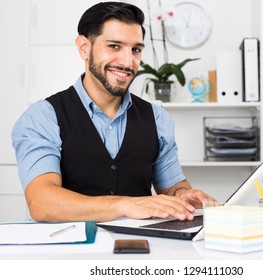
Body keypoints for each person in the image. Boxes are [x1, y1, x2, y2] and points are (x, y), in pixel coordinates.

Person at [11, 2, 215, 223]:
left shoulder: (157, 118)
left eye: (135, 49)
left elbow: (172, 187)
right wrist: (126, 205)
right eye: (114, 46)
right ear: (84, 47)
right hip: (68, 252)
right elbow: (42, 203)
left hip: (142, 248)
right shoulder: (42, 117)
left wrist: (182, 194)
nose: (128, 62)